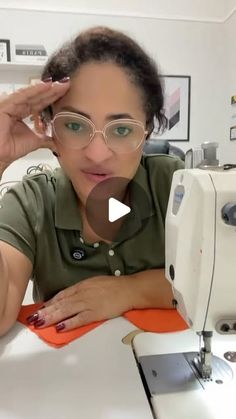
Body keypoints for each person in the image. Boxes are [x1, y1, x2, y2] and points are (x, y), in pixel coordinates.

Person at [0, 26, 183, 336]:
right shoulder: (29, 204)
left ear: (147, 131)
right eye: (74, 124)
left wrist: (128, 290)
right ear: (49, 127)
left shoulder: (172, 186)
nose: (97, 154)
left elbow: (221, 278)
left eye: (122, 129)